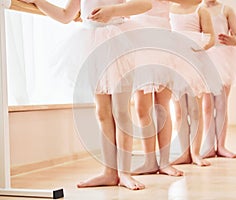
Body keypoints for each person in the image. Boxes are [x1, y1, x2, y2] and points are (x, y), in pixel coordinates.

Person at [18, 0, 152, 190]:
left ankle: (124, 172)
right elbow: (66, 16)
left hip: (119, 40)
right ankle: (109, 171)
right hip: (93, 44)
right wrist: (38, 1)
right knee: (102, 112)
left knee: (121, 111)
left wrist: (114, 10)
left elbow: (145, 4)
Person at [131, 0, 203, 177]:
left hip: (162, 42)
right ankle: (149, 161)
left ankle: (164, 162)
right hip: (138, 43)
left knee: (162, 105)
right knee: (141, 109)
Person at [200, 0, 236, 158]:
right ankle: (208, 145)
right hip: (205, 58)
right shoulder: (197, 9)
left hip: (224, 58)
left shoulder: (226, 9)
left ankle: (221, 146)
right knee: (207, 105)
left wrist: (234, 40)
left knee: (221, 104)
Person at [168, 0, 215, 166]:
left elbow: (211, 38)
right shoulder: (170, 8)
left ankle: (195, 153)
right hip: (175, 62)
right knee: (179, 111)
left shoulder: (200, 10)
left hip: (195, 62)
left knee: (195, 111)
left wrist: (195, 48)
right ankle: (184, 153)